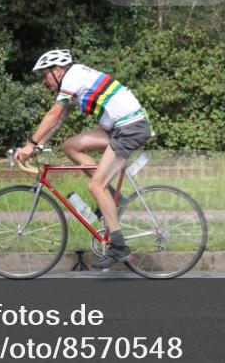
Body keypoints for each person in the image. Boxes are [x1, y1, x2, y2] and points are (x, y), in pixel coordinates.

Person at [13, 49, 151, 269]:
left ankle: (119, 247)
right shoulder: (74, 79)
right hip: (120, 126)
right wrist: (37, 146)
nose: (44, 81)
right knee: (71, 146)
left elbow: (53, 114)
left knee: (96, 186)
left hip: (129, 128)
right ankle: (113, 197)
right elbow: (57, 123)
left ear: (58, 70)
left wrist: (30, 144)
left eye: (45, 75)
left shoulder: (73, 77)